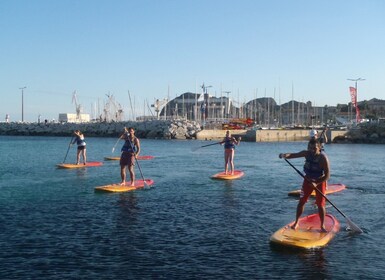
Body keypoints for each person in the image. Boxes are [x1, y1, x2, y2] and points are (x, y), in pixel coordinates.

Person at [279, 138, 330, 232]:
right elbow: (293, 155)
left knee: (320, 204)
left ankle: (322, 225)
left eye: (314, 148)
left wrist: (316, 183)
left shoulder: (323, 158)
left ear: (319, 148)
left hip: (319, 181)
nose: (312, 150)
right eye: (310, 148)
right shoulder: (306, 153)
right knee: (301, 201)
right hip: (308, 180)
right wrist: (284, 155)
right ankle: (296, 222)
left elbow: (327, 176)